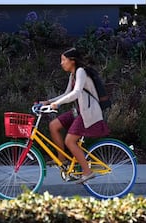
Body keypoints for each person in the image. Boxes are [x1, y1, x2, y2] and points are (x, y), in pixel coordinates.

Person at [40, 47, 109, 184]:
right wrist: (49, 102)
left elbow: (76, 93)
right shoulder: (73, 74)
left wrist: (57, 104)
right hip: (79, 111)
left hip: (88, 113)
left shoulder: (80, 72)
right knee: (53, 125)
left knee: (69, 141)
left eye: (63, 60)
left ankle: (87, 172)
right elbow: (67, 93)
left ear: (72, 61)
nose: (61, 63)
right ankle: (62, 160)